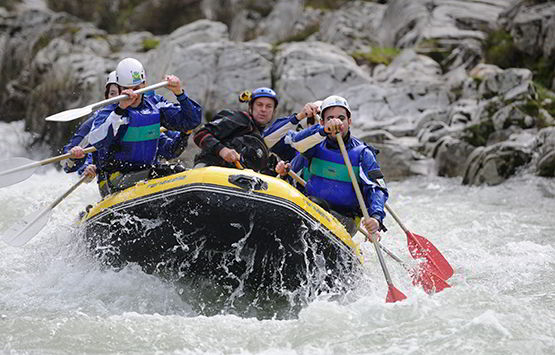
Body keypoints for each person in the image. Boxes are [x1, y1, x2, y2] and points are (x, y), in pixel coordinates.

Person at [88, 57, 202, 195]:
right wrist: (120, 109)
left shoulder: (156, 105)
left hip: (147, 172)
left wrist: (179, 93)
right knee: (165, 173)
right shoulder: (109, 112)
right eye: (126, 89)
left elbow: (191, 121)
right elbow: (96, 140)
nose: (133, 94)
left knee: (176, 171)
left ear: (144, 84)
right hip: (116, 178)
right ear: (119, 87)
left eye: (136, 88)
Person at [278, 95, 388, 237]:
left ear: (349, 121)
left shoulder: (363, 153)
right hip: (311, 209)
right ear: (322, 122)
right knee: (312, 205)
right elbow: (294, 142)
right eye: (330, 119)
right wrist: (283, 173)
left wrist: (376, 218)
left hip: (345, 219)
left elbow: (377, 188)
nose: (336, 122)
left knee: (315, 207)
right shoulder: (313, 146)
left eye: (341, 118)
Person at [193, 87, 278, 172]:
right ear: (251, 107)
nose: (263, 109)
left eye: (268, 106)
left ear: (273, 111)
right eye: (259, 105)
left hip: (235, 179)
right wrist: (221, 150)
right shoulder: (239, 119)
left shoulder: (263, 141)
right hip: (208, 168)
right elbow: (200, 134)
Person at [62, 70, 121, 182]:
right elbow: (65, 164)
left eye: (121, 92)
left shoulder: (148, 111)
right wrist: (83, 164)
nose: (118, 98)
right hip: (112, 182)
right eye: (112, 93)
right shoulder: (96, 122)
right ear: (107, 97)